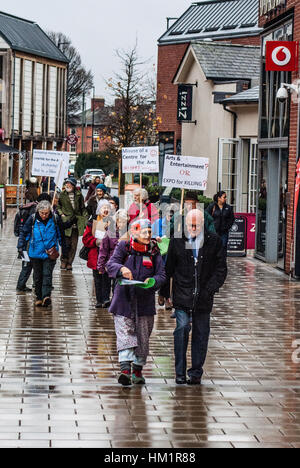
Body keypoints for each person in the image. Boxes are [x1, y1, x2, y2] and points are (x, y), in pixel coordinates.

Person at [166, 209, 227, 386]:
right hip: (182, 294)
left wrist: (209, 289)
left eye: (197, 225)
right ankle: (179, 372)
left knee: (201, 334)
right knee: (182, 328)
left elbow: (221, 269)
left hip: (203, 296)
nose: (193, 228)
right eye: (190, 225)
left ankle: (196, 372)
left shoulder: (213, 241)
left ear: (203, 225)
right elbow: (168, 267)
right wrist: (163, 293)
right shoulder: (178, 240)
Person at [106, 219, 166, 387]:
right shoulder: (124, 247)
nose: (147, 235)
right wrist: (121, 269)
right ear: (134, 232)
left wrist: (153, 281)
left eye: (149, 232)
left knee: (143, 337)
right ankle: (125, 370)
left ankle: (137, 370)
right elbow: (110, 264)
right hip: (124, 300)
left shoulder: (154, 251)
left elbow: (162, 274)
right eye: (144, 232)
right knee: (125, 333)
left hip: (145, 302)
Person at [17, 200, 66, 308]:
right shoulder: (32, 219)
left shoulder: (55, 219)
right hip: (35, 253)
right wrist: (21, 246)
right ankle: (38, 297)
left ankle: (46, 296)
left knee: (47, 274)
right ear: (38, 211)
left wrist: (64, 250)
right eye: (42, 213)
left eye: (46, 213)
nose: (44, 215)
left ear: (50, 212)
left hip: (50, 252)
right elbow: (24, 233)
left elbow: (61, 235)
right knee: (37, 276)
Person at [15, 193, 53, 293]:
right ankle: (21, 285)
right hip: (29, 244)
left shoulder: (34, 208)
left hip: (29, 244)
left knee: (28, 265)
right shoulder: (34, 213)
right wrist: (21, 246)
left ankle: (27, 284)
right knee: (27, 265)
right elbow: (24, 231)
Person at [82, 199, 112, 308]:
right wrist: (95, 241)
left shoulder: (113, 222)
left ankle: (106, 299)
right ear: (99, 210)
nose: (106, 210)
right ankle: (99, 300)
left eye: (108, 208)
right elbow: (85, 239)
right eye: (103, 208)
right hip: (96, 255)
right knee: (98, 278)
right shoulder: (92, 222)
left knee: (107, 278)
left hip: (108, 256)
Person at [57, 177, 88, 271]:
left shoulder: (79, 195)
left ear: (74, 185)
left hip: (76, 222)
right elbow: (58, 207)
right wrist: (61, 214)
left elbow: (83, 208)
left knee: (73, 245)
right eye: (66, 183)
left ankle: (70, 262)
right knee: (65, 244)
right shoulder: (62, 194)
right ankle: (63, 261)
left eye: (69, 184)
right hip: (66, 222)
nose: (67, 185)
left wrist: (84, 219)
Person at [152, 207, 174, 311]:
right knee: (164, 273)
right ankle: (164, 296)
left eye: (172, 215)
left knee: (170, 274)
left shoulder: (176, 223)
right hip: (161, 252)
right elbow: (152, 233)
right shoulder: (158, 222)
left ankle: (167, 297)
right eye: (169, 215)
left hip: (172, 250)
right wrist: (156, 237)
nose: (170, 217)